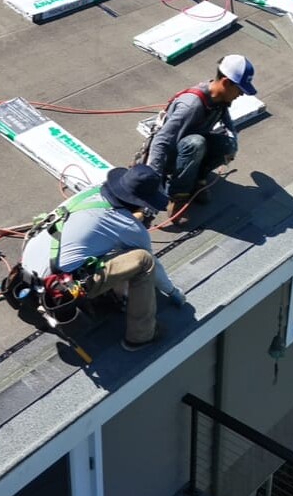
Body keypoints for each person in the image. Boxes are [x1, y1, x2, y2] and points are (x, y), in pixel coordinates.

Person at [20, 165, 187, 351]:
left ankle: (107, 297)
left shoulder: (89, 194)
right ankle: (141, 336)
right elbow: (153, 266)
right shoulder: (128, 226)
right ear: (141, 202)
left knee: (103, 250)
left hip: (26, 268)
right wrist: (173, 293)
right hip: (56, 288)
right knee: (143, 261)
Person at [146, 54, 257, 222]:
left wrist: (233, 140)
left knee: (228, 145)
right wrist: (151, 180)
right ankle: (178, 196)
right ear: (226, 82)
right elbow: (161, 141)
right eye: (240, 90)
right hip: (173, 156)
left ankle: (197, 178)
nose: (240, 94)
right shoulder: (191, 105)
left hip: (192, 149)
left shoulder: (219, 97)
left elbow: (226, 119)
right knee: (196, 143)